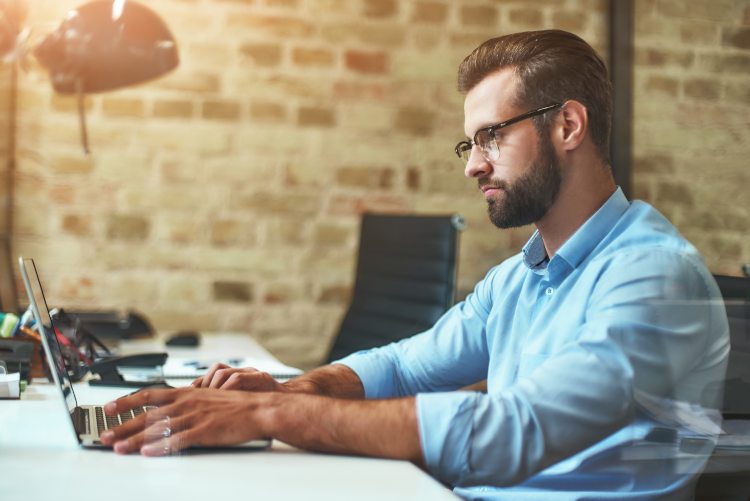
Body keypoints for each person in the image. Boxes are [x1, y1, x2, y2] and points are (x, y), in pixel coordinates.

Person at [101, 30, 729, 500]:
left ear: (568, 125)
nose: (472, 165)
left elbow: (519, 428)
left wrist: (270, 415)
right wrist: (295, 388)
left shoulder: (653, 273)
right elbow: (405, 365)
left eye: (492, 136)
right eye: (470, 142)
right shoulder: (521, 278)